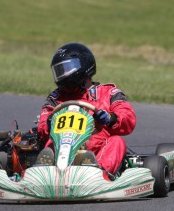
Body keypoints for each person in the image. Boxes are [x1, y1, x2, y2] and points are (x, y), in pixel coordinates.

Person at [37, 42, 136, 177]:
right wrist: (48, 124)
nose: (62, 74)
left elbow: (128, 119)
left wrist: (110, 118)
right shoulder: (55, 98)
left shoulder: (108, 93)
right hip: (62, 147)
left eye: (66, 69)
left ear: (83, 67)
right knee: (50, 141)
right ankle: (45, 170)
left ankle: (98, 173)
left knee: (117, 141)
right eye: (59, 71)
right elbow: (42, 125)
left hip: (98, 148)